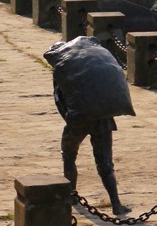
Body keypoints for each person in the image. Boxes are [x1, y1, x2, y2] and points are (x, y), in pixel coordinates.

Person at [54, 80, 130, 216]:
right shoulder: (99, 61)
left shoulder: (65, 64)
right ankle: (116, 204)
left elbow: (58, 97)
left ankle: (71, 195)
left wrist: (68, 118)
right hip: (102, 120)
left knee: (68, 156)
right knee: (106, 165)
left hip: (77, 119)